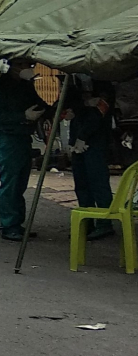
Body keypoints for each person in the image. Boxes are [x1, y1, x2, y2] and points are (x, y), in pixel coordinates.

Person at [0, 59, 49, 241]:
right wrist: (23, 116)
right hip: (7, 138)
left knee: (20, 182)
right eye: (23, 65)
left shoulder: (26, 86)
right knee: (11, 183)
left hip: (23, 137)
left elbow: (40, 103)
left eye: (29, 65)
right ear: (12, 66)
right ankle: (9, 225)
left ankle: (17, 223)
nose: (26, 69)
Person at [65, 74, 115, 240]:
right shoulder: (73, 83)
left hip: (96, 140)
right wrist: (83, 104)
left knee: (98, 181)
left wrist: (84, 136)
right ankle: (86, 222)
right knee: (81, 183)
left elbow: (100, 111)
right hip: (76, 137)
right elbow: (67, 105)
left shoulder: (103, 84)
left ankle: (104, 223)